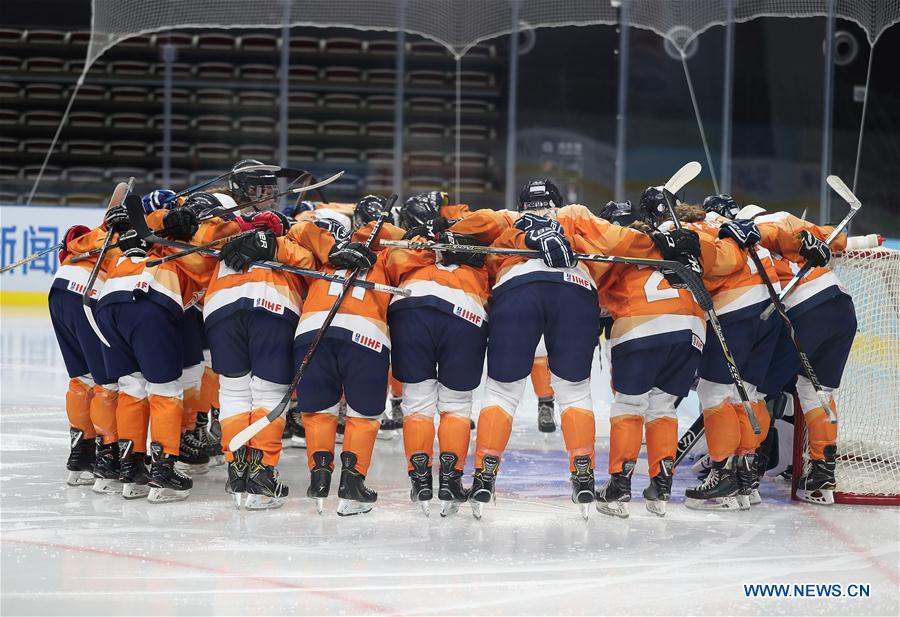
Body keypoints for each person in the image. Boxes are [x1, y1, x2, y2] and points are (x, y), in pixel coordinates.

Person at [447, 179, 700, 518]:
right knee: (575, 391)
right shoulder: (575, 215)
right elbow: (617, 242)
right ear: (558, 201)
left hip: (516, 288)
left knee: (503, 391)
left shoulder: (508, 220)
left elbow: (467, 234)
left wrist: (444, 231)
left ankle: (485, 475)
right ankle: (582, 476)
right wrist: (659, 244)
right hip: (574, 287)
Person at [588, 200, 742, 517]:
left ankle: (618, 488)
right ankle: (661, 486)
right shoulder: (672, 243)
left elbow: (598, 292)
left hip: (642, 327)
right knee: (662, 407)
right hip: (692, 330)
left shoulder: (619, 245)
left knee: (629, 406)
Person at [95, 192, 237, 502]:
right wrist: (178, 233)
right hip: (150, 300)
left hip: (109, 301)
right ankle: (163, 469)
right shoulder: (207, 229)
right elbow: (202, 268)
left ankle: (130, 470)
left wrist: (161, 229)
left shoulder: (160, 220)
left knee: (131, 387)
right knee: (166, 390)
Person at [642, 190, 777, 510]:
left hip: (736, 309)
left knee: (715, 392)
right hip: (770, 308)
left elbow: (712, 262)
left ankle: (723, 477)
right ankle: (746, 478)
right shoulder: (720, 221)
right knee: (748, 393)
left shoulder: (683, 230)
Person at [276, 195, 404, 515]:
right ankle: (351, 486)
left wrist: (330, 249)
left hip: (311, 333)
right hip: (366, 336)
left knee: (319, 412)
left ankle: (319, 480)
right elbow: (414, 253)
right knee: (362, 415)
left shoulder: (322, 251)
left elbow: (300, 230)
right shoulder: (390, 252)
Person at [725, 204, 854, 505]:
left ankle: (746, 472)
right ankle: (822, 473)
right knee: (817, 391)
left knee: (757, 390)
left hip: (804, 311)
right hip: (842, 307)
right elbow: (840, 237)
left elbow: (766, 231)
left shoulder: (765, 225)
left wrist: (747, 231)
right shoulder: (801, 225)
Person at [385, 194, 490, 516]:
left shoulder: (404, 243)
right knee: (456, 405)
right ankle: (450, 481)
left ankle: (420, 482)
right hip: (464, 311)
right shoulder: (479, 241)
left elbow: (388, 265)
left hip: (409, 306)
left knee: (417, 403)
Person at [50, 205, 123, 490]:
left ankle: (81, 453)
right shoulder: (119, 236)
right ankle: (108, 456)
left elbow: (71, 241)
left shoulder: (92, 235)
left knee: (81, 379)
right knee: (108, 381)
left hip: (59, 291)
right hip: (87, 295)